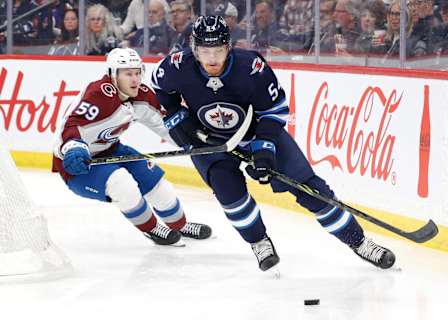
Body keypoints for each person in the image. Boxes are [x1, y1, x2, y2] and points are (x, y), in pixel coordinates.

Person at [150, 15, 396, 271]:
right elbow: (159, 90)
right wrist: (179, 120)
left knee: (311, 190)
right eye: (205, 51)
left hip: (257, 132)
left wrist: (264, 150)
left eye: (218, 50)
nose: (212, 59)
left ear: (228, 46)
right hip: (210, 141)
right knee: (229, 194)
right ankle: (259, 242)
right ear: (194, 48)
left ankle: (359, 242)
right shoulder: (177, 66)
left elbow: (274, 110)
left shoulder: (252, 67)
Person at [52, 48, 212, 247]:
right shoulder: (97, 95)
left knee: (158, 185)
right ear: (113, 75)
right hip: (78, 164)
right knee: (122, 185)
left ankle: (179, 225)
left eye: (137, 72)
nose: (135, 79)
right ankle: (152, 229)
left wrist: (194, 141)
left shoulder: (141, 96)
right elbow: (70, 125)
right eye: (128, 74)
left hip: (112, 150)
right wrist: (73, 149)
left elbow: (165, 126)